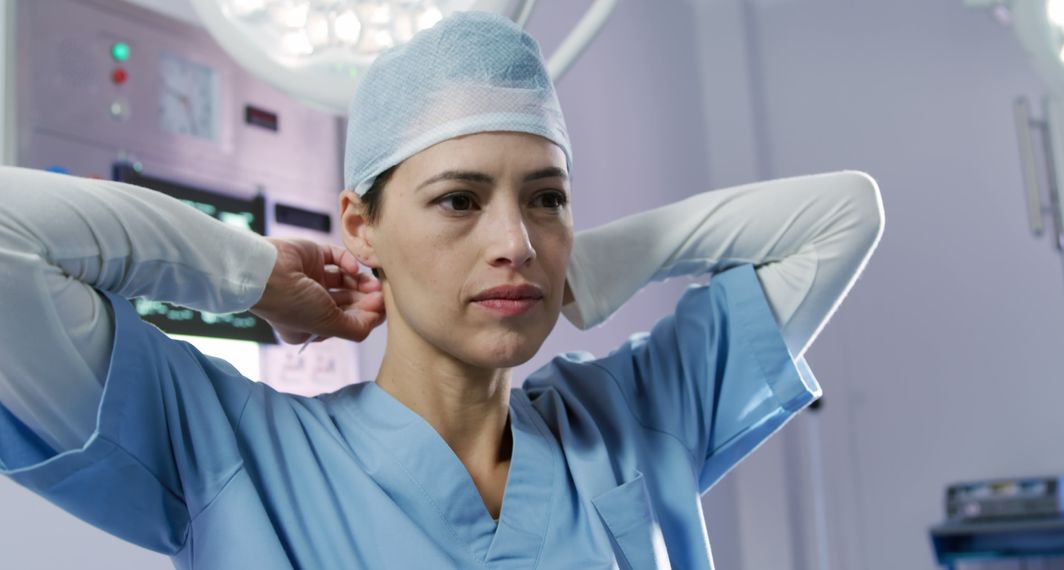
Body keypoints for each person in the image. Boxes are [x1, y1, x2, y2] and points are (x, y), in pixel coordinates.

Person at [0, 10, 883, 569]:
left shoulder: (635, 418)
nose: (514, 243)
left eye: (547, 199)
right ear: (361, 226)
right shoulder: (227, 452)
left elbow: (842, 215)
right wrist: (257, 277)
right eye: (459, 200)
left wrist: (590, 265)